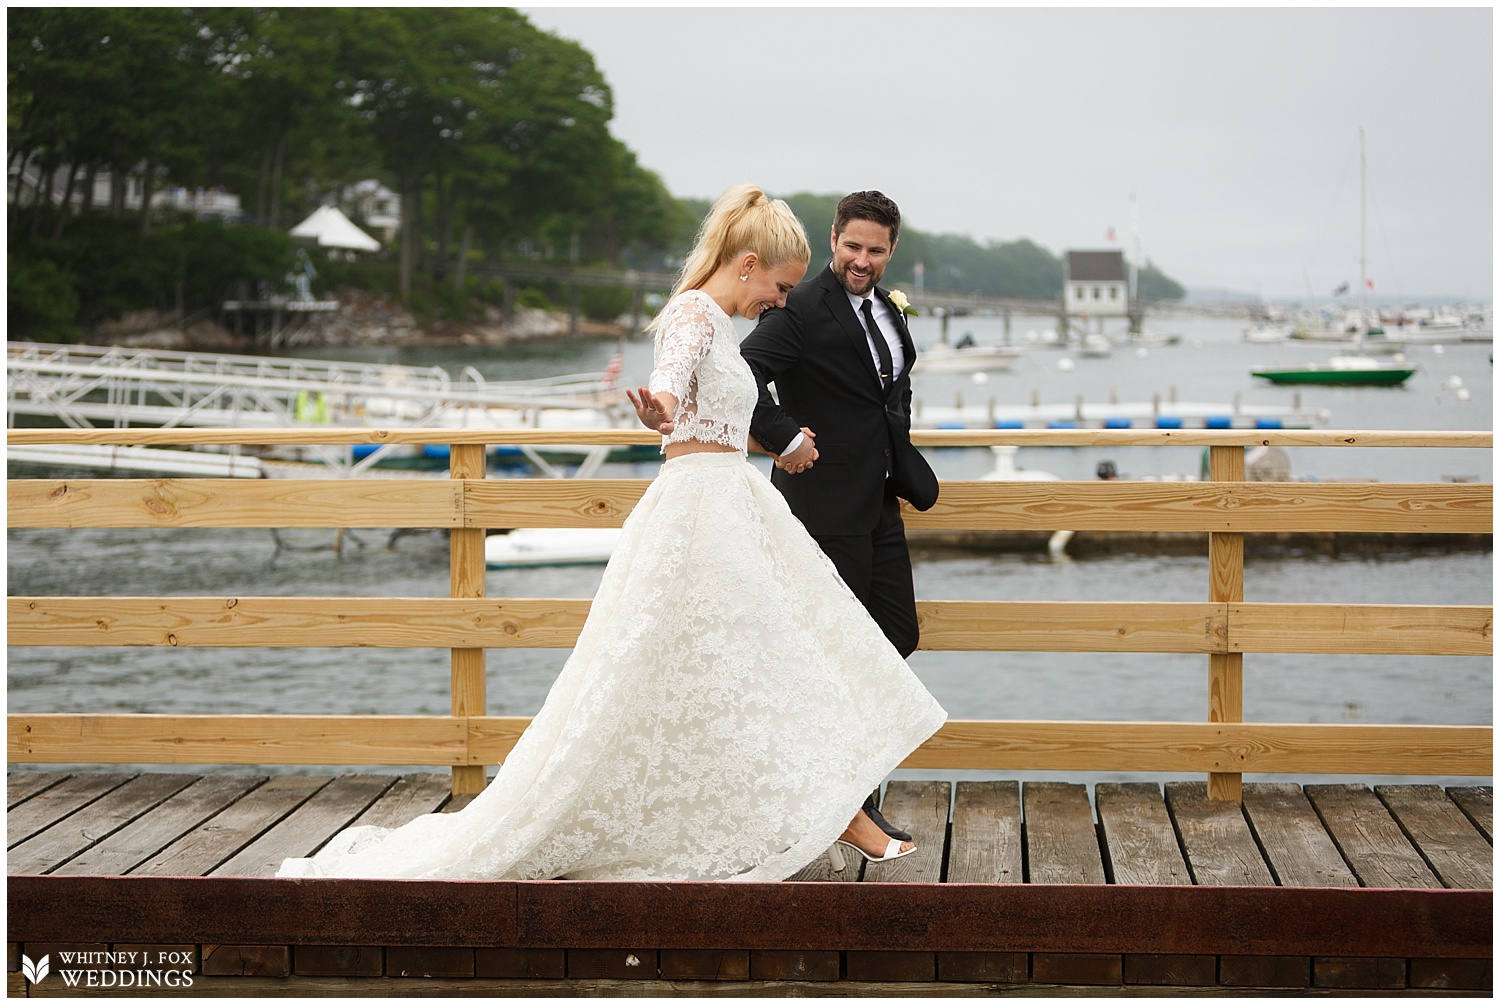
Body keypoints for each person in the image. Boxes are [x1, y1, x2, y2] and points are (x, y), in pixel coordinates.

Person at [277, 185, 945, 882]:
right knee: (777, 658)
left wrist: (773, 438)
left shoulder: (724, 322)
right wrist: (657, 405)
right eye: (777, 286)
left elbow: (732, 399)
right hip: (700, 514)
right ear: (748, 264)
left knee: (769, 662)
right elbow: (668, 377)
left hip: (736, 505)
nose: (781, 300)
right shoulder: (692, 315)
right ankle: (845, 813)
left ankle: (817, 809)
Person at [739, 190, 940, 844]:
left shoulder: (887, 308)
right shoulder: (800, 309)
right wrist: (783, 436)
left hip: (880, 503)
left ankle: (847, 796)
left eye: (875, 249)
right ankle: (849, 807)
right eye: (852, 246)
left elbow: (892, 385)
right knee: (838, 654)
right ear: (834, 240)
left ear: (890, 251)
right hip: (821, 508)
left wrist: (899, 446)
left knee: (896, 636)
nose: (862, 259)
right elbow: (741, 374)